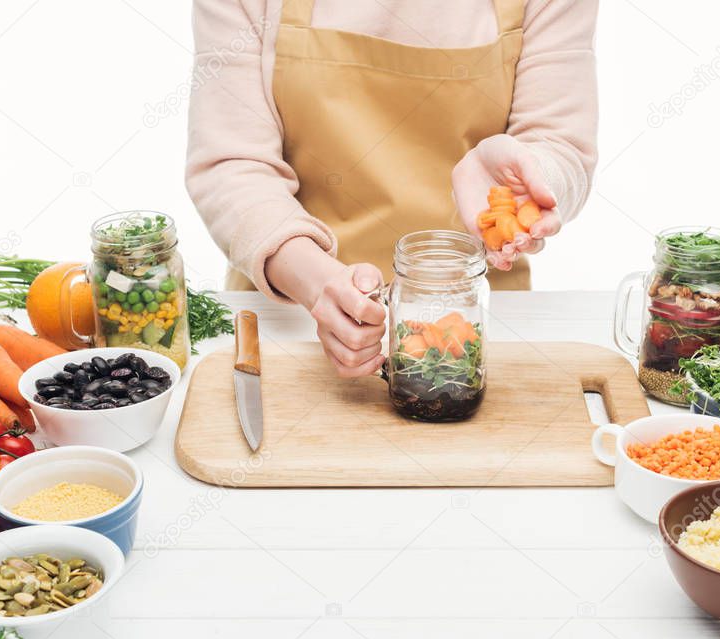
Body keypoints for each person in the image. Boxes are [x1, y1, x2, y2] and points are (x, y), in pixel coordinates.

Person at [186, 0, 598, 377]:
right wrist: (317, 284)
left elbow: (559, 143)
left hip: (475, 324)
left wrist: (525, 183)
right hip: (290, 311)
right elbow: (232, 164)